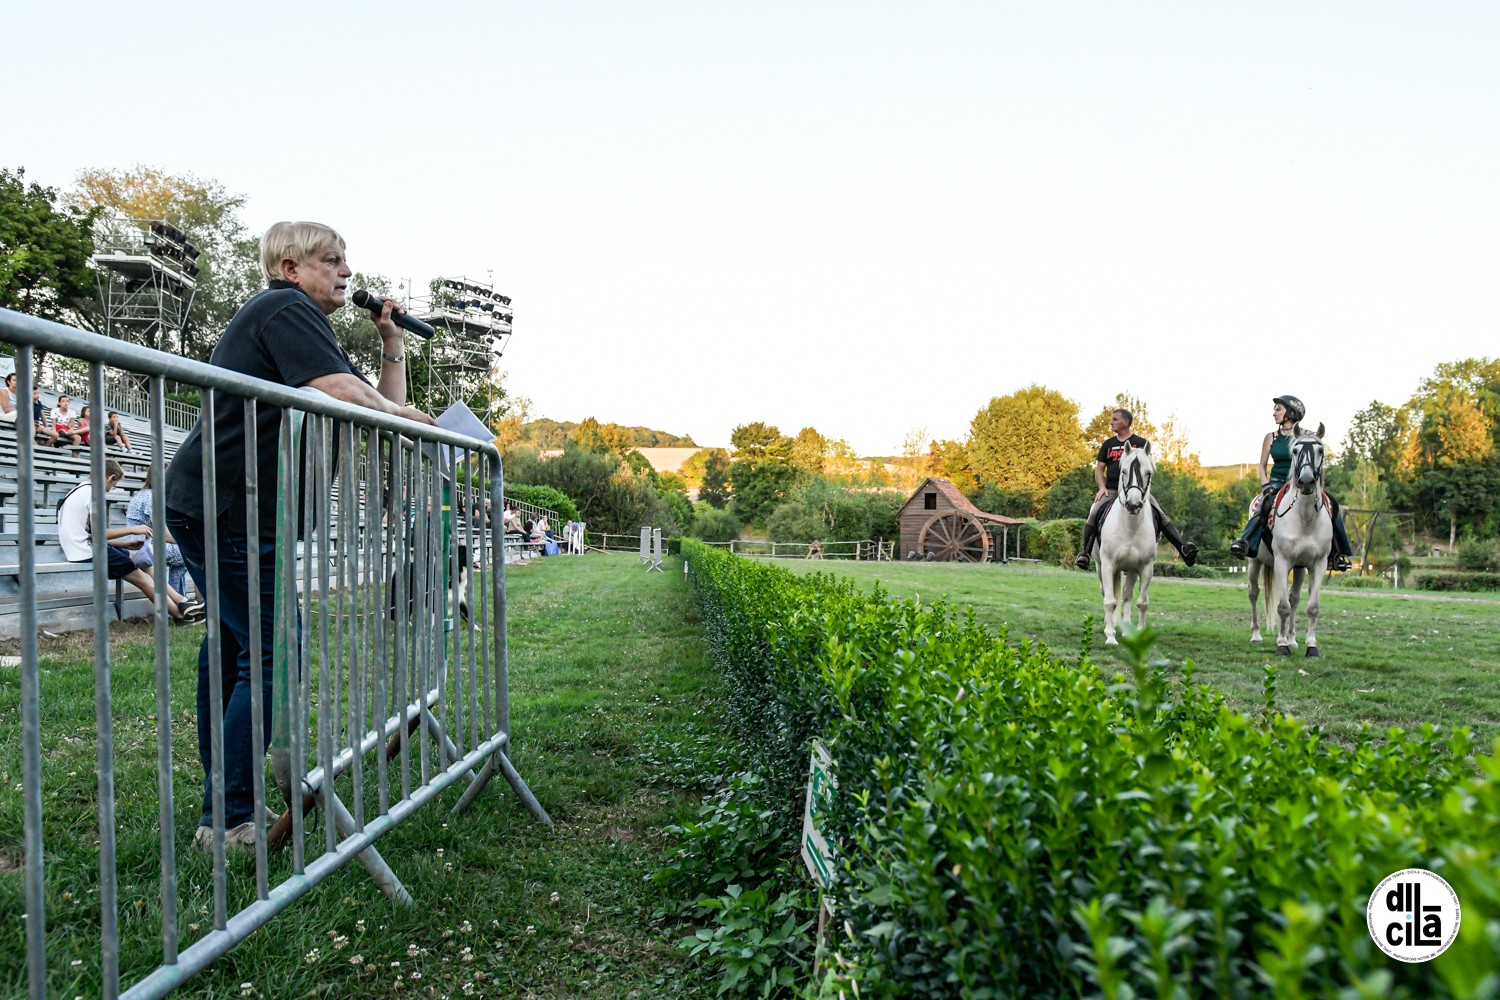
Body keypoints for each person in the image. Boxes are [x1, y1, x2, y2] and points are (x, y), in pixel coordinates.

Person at [165, 220, 435, 852]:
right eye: (331, 261)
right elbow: (348, 395)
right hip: (230, 506)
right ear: (290, 268)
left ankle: (220, 806)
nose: (346, 272)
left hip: (239, 509)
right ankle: (231, 816)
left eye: (347, 262)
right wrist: (418, 420)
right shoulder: (282, 306)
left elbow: (365, 400)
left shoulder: (304, 326)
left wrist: (390, 343)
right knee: (267, 652)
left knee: (238, 651)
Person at [58, 458, 204, 623]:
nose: (110, 489)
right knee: (142, 578)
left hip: (83, 548)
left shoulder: (80, 490)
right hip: (86, 552)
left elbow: (89, 535)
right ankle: (180, 615)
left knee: (141, 559)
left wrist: (126, 544)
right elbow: (98, 534)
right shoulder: (92, 494)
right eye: (114, 485)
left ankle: (182, 601)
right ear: (110, 477)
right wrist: (133, 529)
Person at [1228, 395, 1353, 571]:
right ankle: (1245, 541)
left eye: (1278, 409)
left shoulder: (1308, 435)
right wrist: (1266, 486)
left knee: (1332, 504)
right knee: (1263, 504)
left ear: (1291, 412)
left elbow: (1318, 457)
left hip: (1304, 483)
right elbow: (1261, 466)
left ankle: (1339, 554)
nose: (1274, 413)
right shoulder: (1271, 437)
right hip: (1277, 483)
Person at [1074, 408, 1199, 570]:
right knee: (1093, 513)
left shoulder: (1141, 443)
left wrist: (1143, 490)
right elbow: (1099, 469)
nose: (1111, 422)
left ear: (1125, 422)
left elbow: (1149, 467)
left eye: (1115, 419)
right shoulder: (1108, 444)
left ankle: (1183, 549)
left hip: (1136, 492)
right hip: (1112, 490)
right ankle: (1085, 553)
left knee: (1161, 515)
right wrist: (1101, 487)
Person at [126, 466, 188, 597]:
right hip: (143, 548)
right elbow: (161, 533)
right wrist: (185, 541)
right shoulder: (152, 497)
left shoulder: (144, 493)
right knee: (188, 552)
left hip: (140, 545)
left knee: (184, 555)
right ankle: (179, 600)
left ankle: (180, 600)